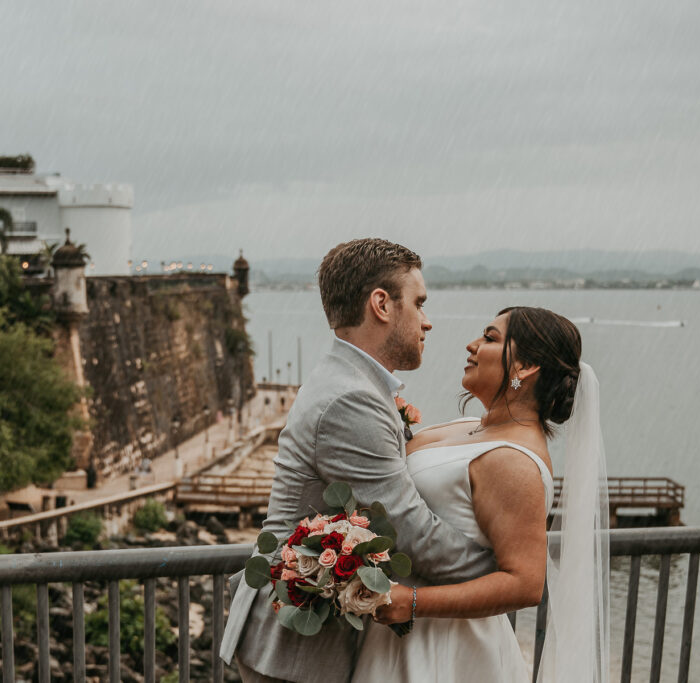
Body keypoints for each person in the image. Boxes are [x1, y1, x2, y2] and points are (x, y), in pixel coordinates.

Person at [220, 238, 497, 682]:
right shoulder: (352, 399)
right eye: (419, 304)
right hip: (297, 650)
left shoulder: (349, 381)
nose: (428, 322)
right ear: (382, 305)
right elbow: (406, 530)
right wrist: (505, 576)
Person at [354, 306, 610, 682]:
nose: (472, 346)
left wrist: (410, 603)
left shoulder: (513, 461)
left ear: (524, 367)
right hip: (395, 634)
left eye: (490, 338)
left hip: (447, 649)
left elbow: (524, 583)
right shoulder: (469, 426)